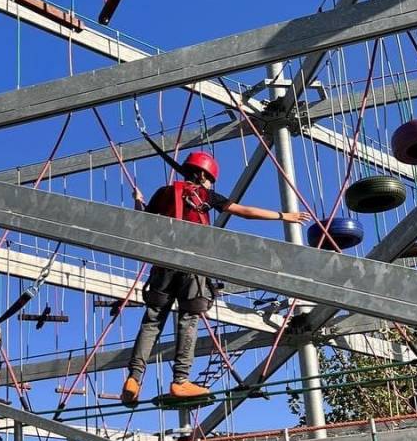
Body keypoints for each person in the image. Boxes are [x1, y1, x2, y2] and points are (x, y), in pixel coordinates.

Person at [121, 151, 311, 404]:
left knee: (152, 321)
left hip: (163, 266)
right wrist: (282, 216)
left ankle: (134, 378)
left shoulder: (163, 193)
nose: (211, 184)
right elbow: (244, 211)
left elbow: (141, 220)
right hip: (191, 264)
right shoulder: (205, 195)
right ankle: (180, 382)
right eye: (211, 180)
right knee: (188, 319)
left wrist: (137, 201)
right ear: (204, 176)